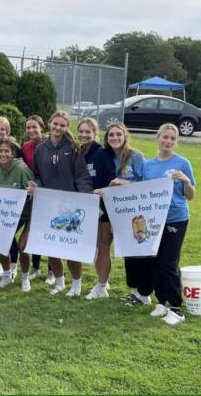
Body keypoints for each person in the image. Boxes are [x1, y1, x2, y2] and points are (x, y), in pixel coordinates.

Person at [27, 111, 92, 296]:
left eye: (62, 125)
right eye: (55, 124)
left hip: (70, 205)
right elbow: (37, 175)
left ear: (66, 128)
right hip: (49, 205)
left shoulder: (73, 147)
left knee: (71, 248)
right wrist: (36, 187)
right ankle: (60, 282)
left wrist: (84, 197)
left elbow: (82, 175)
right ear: (49, 124)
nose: (58, 128)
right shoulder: (40, 149)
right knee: (52, 246)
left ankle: (77, 284)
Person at [143, 123, 196, 325]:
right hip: (155, 220)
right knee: (155, 262)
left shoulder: (182, 163)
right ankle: (161, 302)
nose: (168, 141)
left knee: (169, 263)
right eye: (165, 137)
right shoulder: (149, 166)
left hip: (176, 218)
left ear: (176, 141)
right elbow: (143, 192)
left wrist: (186, 182)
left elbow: (190, 196)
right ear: (158, 138)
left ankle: (176, 308)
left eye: (173, 139)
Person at [102, 123, 149, 306]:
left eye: (118, 134)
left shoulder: (135, 156)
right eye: (111, 135)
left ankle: (145, 294)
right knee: (128, 252)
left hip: (137, 211)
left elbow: (147, 182)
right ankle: (135, 292)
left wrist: (123, 183)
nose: (114, 138)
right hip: (118, 211)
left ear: (125, 136)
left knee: (140, 250)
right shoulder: (106, 157)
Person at [77, 118, 116, 299]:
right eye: (81, 131)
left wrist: (103, 192)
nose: (84, 135)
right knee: (94, 247)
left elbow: (112, 179)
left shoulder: (101, 153)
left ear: (95, 134)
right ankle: (103, 281)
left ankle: (101, 286)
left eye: (88, 132)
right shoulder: (80, 153)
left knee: (103, 246)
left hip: (105, 208)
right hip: (89, 207)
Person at [0, 139, 34, 292]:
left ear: (13, 154)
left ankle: (25, 277)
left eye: (6, 151)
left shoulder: (21, 170)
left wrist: (31, 191)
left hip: (28, 214)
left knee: (22, 246)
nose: (3, 154)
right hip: (8, 215)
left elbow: (35, 189)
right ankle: (7, 274)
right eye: (0, 151)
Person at [0, 116, 23, 277]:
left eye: (3, 129)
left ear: (7, 132)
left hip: (12, 197)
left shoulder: (13, 147)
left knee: (9, 234)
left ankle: (13, 264)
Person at [21, 115, 51, 284]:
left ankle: (52, 271)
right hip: (34, 193)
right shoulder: (25, 147)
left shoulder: (49, 146)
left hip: (50, 193)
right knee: (36, 231)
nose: (31, 130)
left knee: (50, 231)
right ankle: (36, 266)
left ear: (42, 128)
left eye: (34, 127)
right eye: (28, 128)